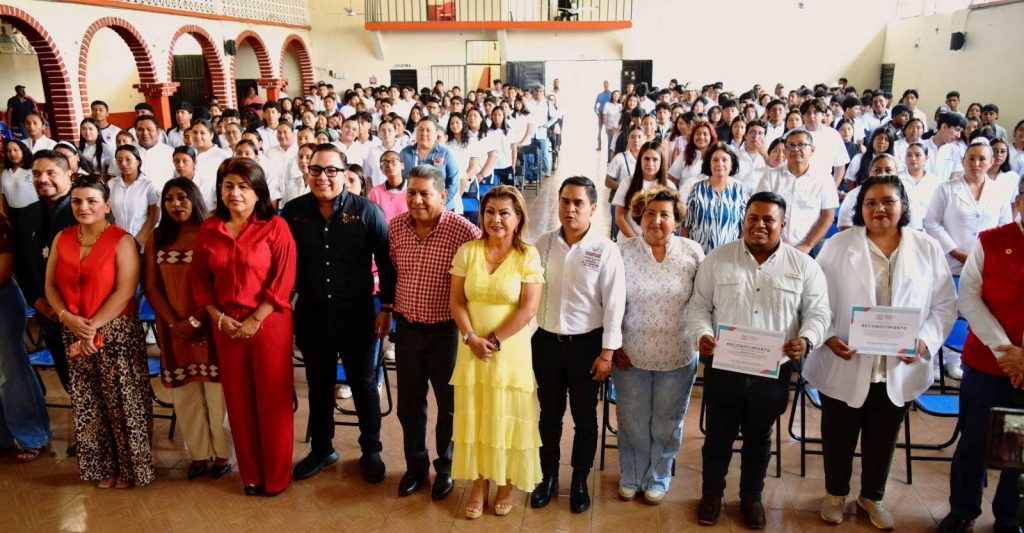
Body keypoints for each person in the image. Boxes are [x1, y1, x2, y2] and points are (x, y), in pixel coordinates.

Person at [805, 175, 957, 529]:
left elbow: (944, 304)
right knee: (838, 433)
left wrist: (925, 341)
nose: (879, 209)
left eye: (888, 201)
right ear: (860, 208)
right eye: (870, 202)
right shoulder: (838, 245)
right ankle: (835, 493)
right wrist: (828, 336)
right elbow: (815, 299)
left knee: (883, 436)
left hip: (898, 364)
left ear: (903, 206)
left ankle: (872, 496)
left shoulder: (926, 247)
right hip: (845, 357)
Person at [688, 191, 831, 529]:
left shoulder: (803, 266)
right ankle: (711, 494)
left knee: (759, 437)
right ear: (744, 220)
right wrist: (702, 334)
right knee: (718, 436)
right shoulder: (717, 259)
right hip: (724, 366)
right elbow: (698, 306)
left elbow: (818, 312)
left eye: (769, 219)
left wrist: (806, 339)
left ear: (783, 224)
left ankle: (751, 498)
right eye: (753, 218)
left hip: (773, 370)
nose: (760, 225)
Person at [282, 144, 394, 484]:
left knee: (362, 383)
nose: (323, 177)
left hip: (357, 313)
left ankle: (371, 449)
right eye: (316, 170)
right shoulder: (293, 213)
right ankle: (322, 448)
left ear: (345, 174)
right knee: (319, 384)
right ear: (307, 173)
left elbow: (386, 264)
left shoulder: (367, 212)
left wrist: (387, 308)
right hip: (312, 313)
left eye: (331, 170)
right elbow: (282, 263)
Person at [191, 157, 297, 496]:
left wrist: (255, 319)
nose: (235, 193)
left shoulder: (275, 226)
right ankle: (251, 475)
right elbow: (200, 281)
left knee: (272, 400)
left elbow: (283, 281)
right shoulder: (210, 228)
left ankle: (276, 476)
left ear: (258, 192)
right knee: (238, 401)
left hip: (269, 323)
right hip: (226, 325)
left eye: (243, 186)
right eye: (228, 186)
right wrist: (218, 317)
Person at [43, 175, 155, 488]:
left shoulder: (122, 240)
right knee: (89, 402)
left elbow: (125, 292)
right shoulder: (62, 237)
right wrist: (67, 318)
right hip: (74, 328)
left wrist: (91, 328)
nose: (84, 207)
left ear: (106, 206)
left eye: (92, 201)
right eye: (77, 201)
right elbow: (50, 285)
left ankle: (131, 469)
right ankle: (102, 466)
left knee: (123, 402)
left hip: (115, 330)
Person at [530, 176, 625, 513]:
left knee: (585, 419)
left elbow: (614, 304)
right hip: (546, 343)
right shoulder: (542, 243)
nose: (570, 209)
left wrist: (607, 353)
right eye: (565, 201)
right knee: (549, 416)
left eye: (578, 203)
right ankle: (548, 477)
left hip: (587, 346)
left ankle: (580, 481)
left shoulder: (605, 250)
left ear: (593, 209)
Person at [449, 185, 544, 518]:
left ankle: (505, 483)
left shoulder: (527, 256)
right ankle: (478, 485)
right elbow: (456, 301)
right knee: (476, 413)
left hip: (510, 349)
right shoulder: (468, 251)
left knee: (506, 413)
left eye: (504, 213)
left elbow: (529, 308)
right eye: (490, 212)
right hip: (471, 348)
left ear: (518, 218)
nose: (496, 219)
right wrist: (471, 337)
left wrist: (494, 340)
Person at [937, 175, 1024, 533]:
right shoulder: (991, 241)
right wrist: (1007, 351)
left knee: (1020, 445)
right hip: (987, 362)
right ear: (1018, 202)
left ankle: (1009, 515)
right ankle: (963, 510)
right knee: (973, 441)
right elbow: (969, 298)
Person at [389, 164, 481, 500]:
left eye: (424, 194)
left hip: (447, 332)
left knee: (449, 405)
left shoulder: (464, 232)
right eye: (411, 192)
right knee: (409, 405)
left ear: (443, 195)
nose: (416, 200)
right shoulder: (396, 227)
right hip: (407, 329)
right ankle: (415, 467)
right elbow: (394, 270)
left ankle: (446, 467)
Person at [614, 185, 703, 504]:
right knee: (632, 420)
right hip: (630, 354)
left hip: (678, 354)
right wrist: (614, 345)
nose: (656, 220)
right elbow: (609, 303)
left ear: (677, 220)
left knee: (667, 421)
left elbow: (702, 302)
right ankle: (631, 474)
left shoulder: (693, 253)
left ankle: (658, 477)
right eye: (649, 213)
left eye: (665, 214)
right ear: (639, 216)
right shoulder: (622, 251)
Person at [143, 178, 232, 481]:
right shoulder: (157, 237)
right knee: (185, 394)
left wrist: (195, 320)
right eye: (169, 199)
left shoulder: (212, 232)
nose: (176, 204)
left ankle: (223, 453)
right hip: (173, 328)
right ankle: (199, 453)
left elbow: (221, 283)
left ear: (195, 199)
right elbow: (151, 285)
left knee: (217, 393)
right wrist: (174, 323)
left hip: (210, 323)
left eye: (182, 197)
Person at [14, 151, 78, 407]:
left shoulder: (84, 209)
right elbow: (21, 265)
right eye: (36, 174)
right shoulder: (27, 215)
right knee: (69, 379)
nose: (43, 179)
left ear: (69, 175)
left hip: (82, 315)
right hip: (47, 312)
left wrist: (65, 308)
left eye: (51, 173)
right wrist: (35, 300)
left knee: (97, 381)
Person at [0, 210, 51, 462]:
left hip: (2, 300)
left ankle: (33, 435)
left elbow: (5, 267)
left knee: (11, 372)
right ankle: (2, 437)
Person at [757, 128, 839, 255]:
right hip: (773, 245)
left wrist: (807, 245)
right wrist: (775, 241)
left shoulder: (824, 179)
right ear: (785, 151)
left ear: (812, 150)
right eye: (790, 146)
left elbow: (827, 217)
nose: (795, 149)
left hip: (808, 248)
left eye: (801, 145)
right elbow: (761, 210)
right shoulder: (770, 176)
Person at [682, 142, 748, 254]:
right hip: (699, 255)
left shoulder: (739, 190)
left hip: (728, 256)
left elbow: (743, 229)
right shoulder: (697, 188)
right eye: (715, 160)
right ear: (709, 164)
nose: (720, 163)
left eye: (724, 160)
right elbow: (685, 226)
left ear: (732, 164)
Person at [399, 118, 460, 210]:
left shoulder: (445, 153)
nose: (424, 133)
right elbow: (400, 179)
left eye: (428, 130)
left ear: (435, 134)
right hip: (414, 205)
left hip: (441, 207)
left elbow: (453, 182)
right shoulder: (405, 153)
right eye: (420, 129)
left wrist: (440, 202)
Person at [614, 140, 670, 239]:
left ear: (661, 161)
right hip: (628, 240)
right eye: (646, 159)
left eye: (655, 159)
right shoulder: (627, 182)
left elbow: (670, 219)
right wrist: (637, 241)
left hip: (656, 242)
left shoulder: (669, 186)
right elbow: (619, 217)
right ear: (640, 160)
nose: (650, 163)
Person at [108, 145, 159, 248]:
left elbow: (153, 217)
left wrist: (137, 241)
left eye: (128, 159)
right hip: (118, 241)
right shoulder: (111, 184)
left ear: (138, 162)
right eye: (119, 160)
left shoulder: (148, 185)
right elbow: (108, 214)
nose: (123, 163)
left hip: (142, 242)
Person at [190, 119, 231, 210]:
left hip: (213, 206)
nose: (198, 136)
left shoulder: (223, 156)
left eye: (202, 133)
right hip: (190, 204)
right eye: (195, 132)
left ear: (211, 135)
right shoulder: (188, 153)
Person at [1, 139, 34, 213]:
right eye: (8, 151)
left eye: (15, 150)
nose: (12, 154)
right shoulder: (5, 173)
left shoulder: (32, 170)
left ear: (23, 151)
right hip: (12, 212)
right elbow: (4, 196)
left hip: (32, 212)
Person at [594, 80, 613, 151]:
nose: (606, 85)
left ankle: (610, 146)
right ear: (603, 85)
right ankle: (599, 146)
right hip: (601, 114)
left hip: (609, 115)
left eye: (607, 84)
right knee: (599, 131)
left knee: (609, 131)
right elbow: (595, 106)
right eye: (604, 84)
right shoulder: (600, 95)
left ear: (609, 85)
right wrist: (597, 114)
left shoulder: (612, 94)